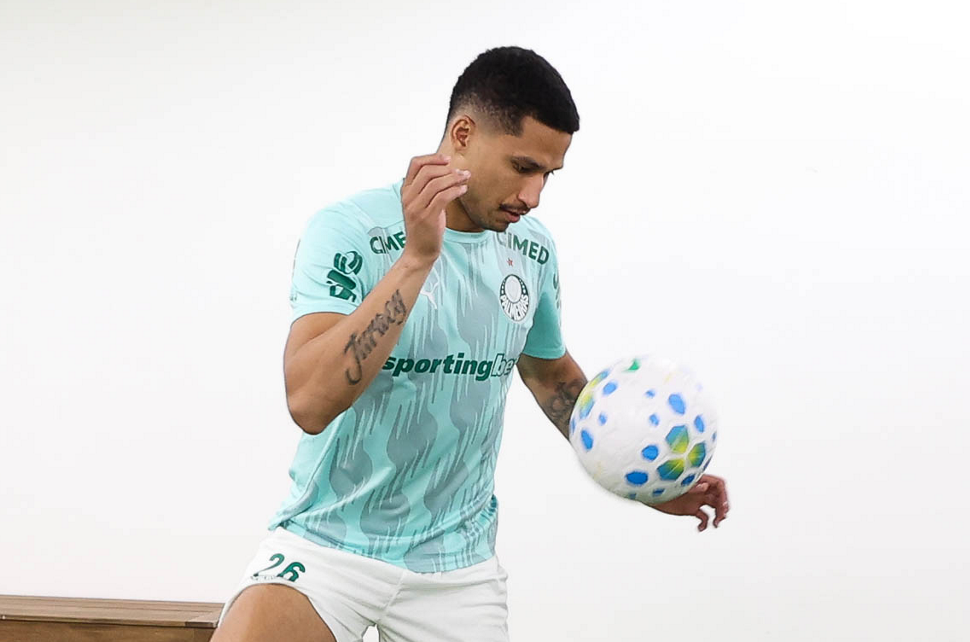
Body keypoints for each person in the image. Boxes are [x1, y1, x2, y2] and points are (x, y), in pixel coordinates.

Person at [212, 45, 729, 642]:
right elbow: (308, 401)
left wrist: (642, 475)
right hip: (327, 548)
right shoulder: (351, 230)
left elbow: (551, 376)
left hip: (456, 572)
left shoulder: (531, 249)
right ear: (462, 134)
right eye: (522, 166)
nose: (533, 196)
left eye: (548, 176)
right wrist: (417, 259)